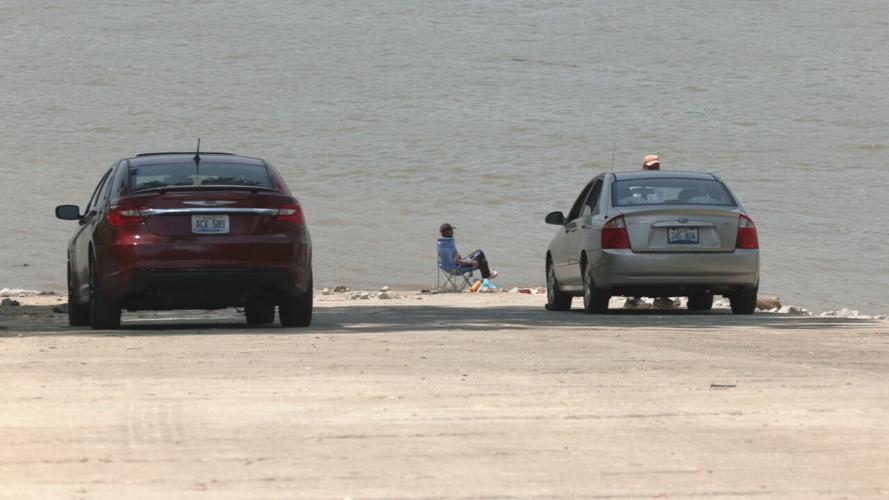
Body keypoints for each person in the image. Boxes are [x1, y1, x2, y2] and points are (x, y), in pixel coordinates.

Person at [625, 154, 678, 309]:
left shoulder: (660, 187)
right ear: (643, 167)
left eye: (657, 167)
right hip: (641, 226)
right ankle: (633, 299)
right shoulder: (634, 186)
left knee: (663, 263)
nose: (655, 170)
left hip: (658, 226)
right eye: (651, 167)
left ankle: (662, 298)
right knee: (640, 263)